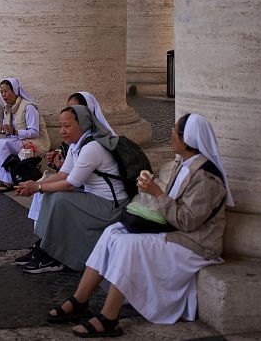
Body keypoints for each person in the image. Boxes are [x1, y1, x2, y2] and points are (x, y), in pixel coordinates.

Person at [47, 113, 233, 337]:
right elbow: (171, 204)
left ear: (188, 140)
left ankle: (109, 317)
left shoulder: (205, 178)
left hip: (196, 244)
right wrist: (151, 190)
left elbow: (188, 220)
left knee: (128, 245)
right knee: (112, 232)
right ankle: (80, 299)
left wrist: (157, 193)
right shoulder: (182, 164)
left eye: (174, 131)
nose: (171, 135)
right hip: (173, 229)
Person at [13, 105, 126, 274]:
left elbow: (70, 184)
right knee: (51, 193)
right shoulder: (76, 145)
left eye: (67, 126)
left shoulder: (92, 147)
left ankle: (55, 256)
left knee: (60, 198)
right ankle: (44, 246)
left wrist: (38, 187)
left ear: (83, 125)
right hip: (95, 198)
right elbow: (64, 174)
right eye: (60, 126)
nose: (62, 131)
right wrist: (37, 184)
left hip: (111, 205)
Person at [0, 78, 50, 192]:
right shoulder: (8, 108)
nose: (3, 95)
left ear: (15, 91)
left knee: (2, 144)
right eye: (1, 92)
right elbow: (9, 130)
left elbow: (34, 132)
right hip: (16, 139)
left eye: (6, 91)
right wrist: (1, 129)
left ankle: (8, 180)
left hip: (33, 142)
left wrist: (15, 132)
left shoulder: (28, 107)